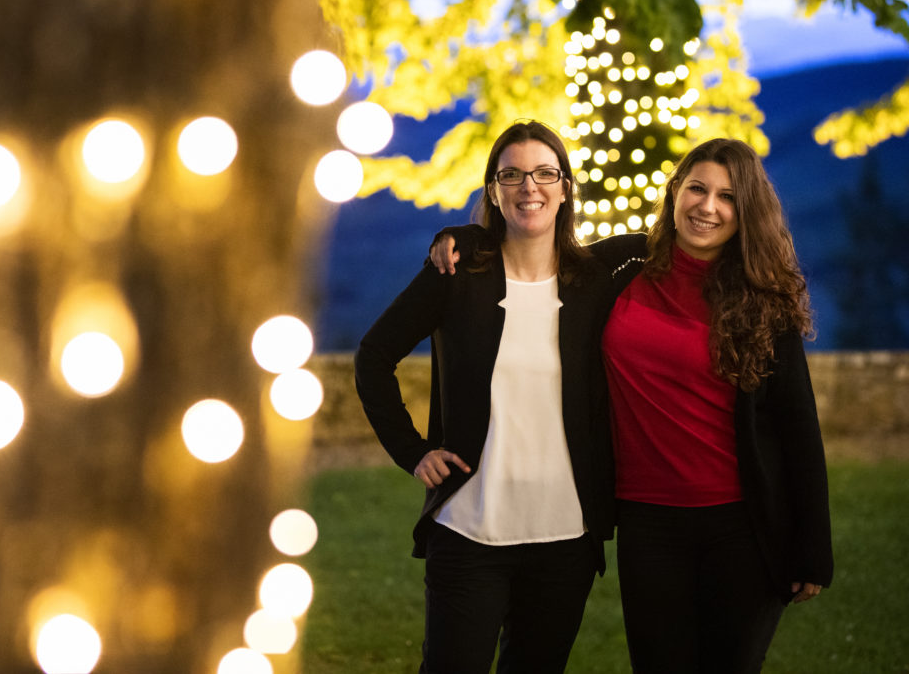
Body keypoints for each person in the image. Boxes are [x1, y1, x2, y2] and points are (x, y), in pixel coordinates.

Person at [430, 137, 834, 673]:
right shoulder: (623, 267)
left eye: (727, 197)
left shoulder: (762, 299)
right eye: (697, 189)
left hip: (742, 525)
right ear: (675, 192)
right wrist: (464, 236)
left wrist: (813, 550)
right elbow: (536, 238)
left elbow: (797, 426)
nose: (707, 206)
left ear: (746, 212)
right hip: (647, 524)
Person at [354, 120, 617, 674]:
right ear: (493, 191)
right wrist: (412, 451)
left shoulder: (594, 284)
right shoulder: (457, 274)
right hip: (470, 531)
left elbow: (667, 245)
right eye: (512, 175)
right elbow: (374, 356)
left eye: (545, 173)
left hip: (565, 539)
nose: (529, 187)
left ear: (566, 188)